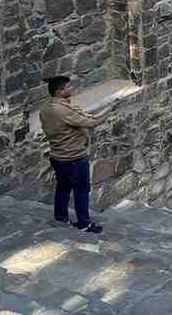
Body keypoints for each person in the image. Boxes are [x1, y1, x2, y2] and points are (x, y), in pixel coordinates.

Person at [38, 75, 109, 233]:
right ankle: (84, 223)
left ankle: (61, 217)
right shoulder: (62, 110)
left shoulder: (45, 108)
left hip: (57, 156)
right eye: (68, 87)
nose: (71, 88)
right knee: (81, 190)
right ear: (60, 91)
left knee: (63, 187)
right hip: (74, 158)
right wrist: (110, 110)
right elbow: (92, 122)